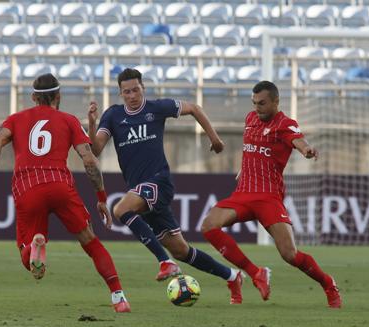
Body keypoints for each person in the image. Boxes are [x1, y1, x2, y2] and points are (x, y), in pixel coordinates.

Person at [87, 68, 252, 305]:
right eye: (126, 92)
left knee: (121, 210)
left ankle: (164, 262)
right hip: (141, 189)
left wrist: (214, 138)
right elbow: (95, 150)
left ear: (143, 87)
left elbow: (194, 108)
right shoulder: (113, 116)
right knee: (182, 250)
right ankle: (232, 276)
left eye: (135, 90)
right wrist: (92, 124)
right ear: (120, 93)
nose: (132, 95)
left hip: (158, 181)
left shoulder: (156, 108)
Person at [0, 73, 130, 313]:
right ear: (58, 96)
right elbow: (89, 160)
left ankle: (35, 245)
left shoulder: (16, 119)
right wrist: (101, 198)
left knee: (26, 256)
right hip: (59, 184)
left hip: (28, 186)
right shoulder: (68, 120)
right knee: (90, 241)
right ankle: (119, 297)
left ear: (33, 97)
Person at [200, 81, 342, 308]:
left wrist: (307, 150)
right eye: (254, 103)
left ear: (276, 102)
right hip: (244, 193)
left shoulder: (285, 124)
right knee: (209, 226)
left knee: (290, 254)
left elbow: (298, 141)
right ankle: (256, 273)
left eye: (263, 103)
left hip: (268, 197)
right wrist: (243, 170)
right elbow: (252, 151)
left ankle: (328, 283)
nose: (258, 107)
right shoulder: (250, 119)